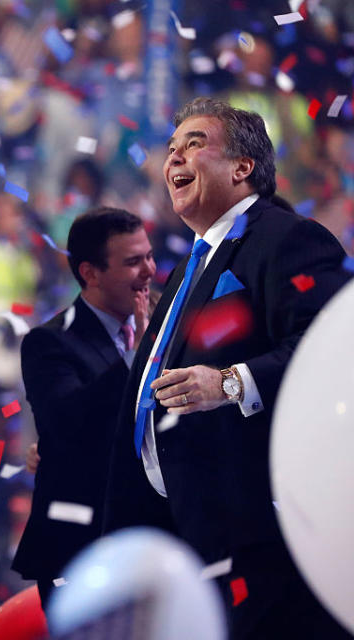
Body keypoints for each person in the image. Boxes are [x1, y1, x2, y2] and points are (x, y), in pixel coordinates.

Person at [103, 97, 353, 639]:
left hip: (260, 534)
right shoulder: (187, 269)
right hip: (189, 533)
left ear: (243, 168)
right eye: (171, 149)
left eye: (194, 143)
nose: (174, 158)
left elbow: (333, 347)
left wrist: (232, 382)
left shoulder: (287, 238)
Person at [12, 207, 156, 609]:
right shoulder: (49, 343)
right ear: (90, 273)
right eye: (132, 262)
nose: (148, 271)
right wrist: (136, 360)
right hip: (78, 547)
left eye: (148, 256)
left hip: (155, 541)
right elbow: (65, 425)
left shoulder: (168, 326)